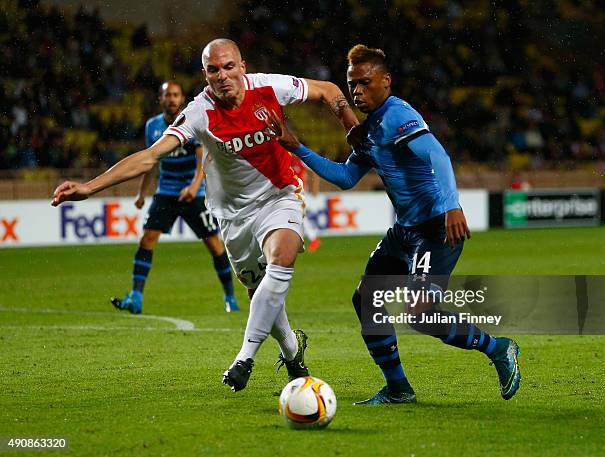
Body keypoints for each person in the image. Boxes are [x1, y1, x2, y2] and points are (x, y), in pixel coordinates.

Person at [51, 38, 359, 392]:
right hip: (232, 215)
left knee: (282, 257)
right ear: (205, 74)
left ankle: (245, 357)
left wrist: (354, 128)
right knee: (260, 290)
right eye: (214, 70)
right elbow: (151, 156)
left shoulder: (270, 87)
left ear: (242, 66)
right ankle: (291, 351)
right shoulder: (199, 112)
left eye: (229, 67)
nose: (223, 76)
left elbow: (328, 90)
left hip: (279, 195)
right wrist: (91, 187)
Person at [265, 44, 521, 404]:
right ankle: (399, 389)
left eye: (365, 82)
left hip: (435, 229)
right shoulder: (370, 131)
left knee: (420, 314)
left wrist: (451, 206)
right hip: (405, 233)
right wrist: (297, 148)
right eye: (352, 84)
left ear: (386, 81)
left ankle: (499, 349)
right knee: (366, 299)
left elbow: (437, 155)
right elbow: (345, 177)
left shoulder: (399, 115)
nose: (356, 91)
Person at [111, 80, 238, 315]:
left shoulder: (192, 121)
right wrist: (142, 193)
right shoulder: (152, 127)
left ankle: (230, 297)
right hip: (166, 193)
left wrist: (194, 186)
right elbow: (151, 162)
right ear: (160, 99)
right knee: (147, 239)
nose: (171, 99)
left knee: (214, 245)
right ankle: (136, 297)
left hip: (193, 193)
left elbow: (205, 159)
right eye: (167, 94)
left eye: (176, 95)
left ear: (182, 99)